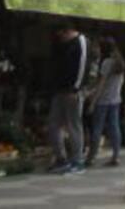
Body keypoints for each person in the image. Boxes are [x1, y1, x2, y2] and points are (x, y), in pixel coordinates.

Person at [48, 24, 88, 174]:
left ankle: (77, 160)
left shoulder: (81, 42)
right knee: (54, 124)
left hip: (73, 91)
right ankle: (61, 158)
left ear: (67, 32)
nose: (60, 39)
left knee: (73, 125)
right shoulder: (61, 44)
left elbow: (82, 65)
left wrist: (76, 88)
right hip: (60, 89)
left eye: (62, 36)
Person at [85, 36, 125, 167]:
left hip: (103, 100)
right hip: (115, 99)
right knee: (114, 127)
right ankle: (116, 155)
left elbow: (101, 84)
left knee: (97, 128)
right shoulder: (120, 63)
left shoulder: (107, 63)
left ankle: (92, 156)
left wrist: (92, 101)